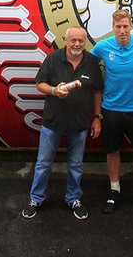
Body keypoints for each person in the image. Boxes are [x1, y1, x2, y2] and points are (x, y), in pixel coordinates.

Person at [22, 26, 104, 221]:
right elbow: (39, 83)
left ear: (85, 42)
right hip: (53, 123)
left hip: (79, 125)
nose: (77, 44)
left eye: (80, 41)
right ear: (65, 40)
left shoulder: (92, 62)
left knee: (75, 164)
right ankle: (36, 199)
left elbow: (97, 91)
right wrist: (53, 91)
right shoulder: (53, 58)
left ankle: (74, 199)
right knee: (43, 164)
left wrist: (97, 118)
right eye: (73, 40)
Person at [91, 9, 133, 214]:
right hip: (111, 109)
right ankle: (114, 189)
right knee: (112, 150)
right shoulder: (102, 47)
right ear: (113, 27)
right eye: (118, 27)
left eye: (125, 26)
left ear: (131, 25)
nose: (122, 30)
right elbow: (86, 66)